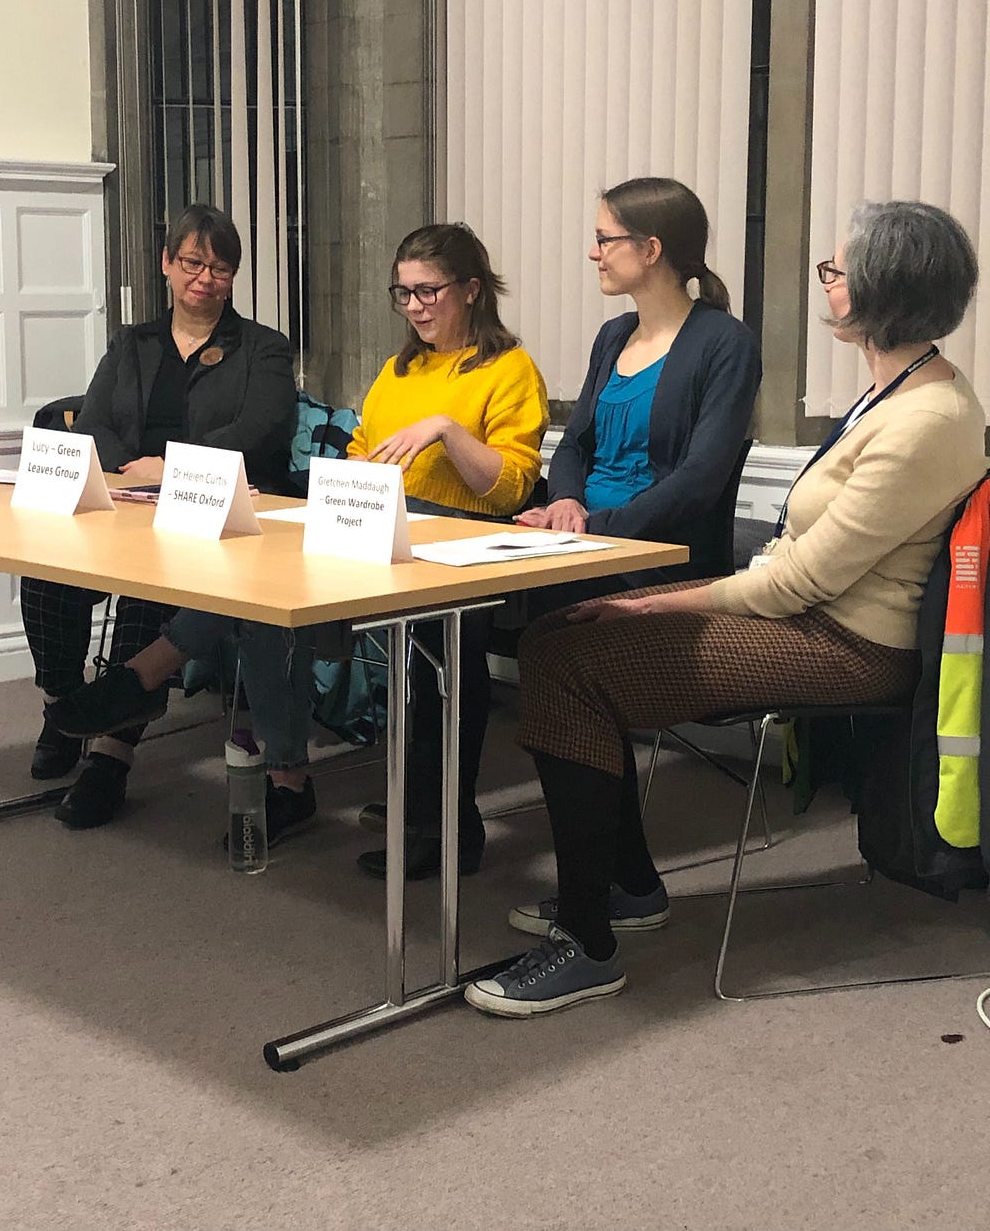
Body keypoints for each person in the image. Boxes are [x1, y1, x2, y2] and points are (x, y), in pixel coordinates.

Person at [463, 199, 987, 1019]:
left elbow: (798, 583)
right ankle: (627, 888)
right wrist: (654, 604)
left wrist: (656, 605)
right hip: (811, 618)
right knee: (557, 637)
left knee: (567, 660)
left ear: (883, 287)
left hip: (848, 643)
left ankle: (588, 941)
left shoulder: (930, 416)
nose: (827, 282)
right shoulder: (893, 392)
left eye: (837, 270)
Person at [48, 224, 548, 866]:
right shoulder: (402, 369)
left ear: (472, 290)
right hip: (379, 527)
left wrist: (447, 429)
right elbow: (366, 452)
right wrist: (342, 492)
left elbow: (508, 488)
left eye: (429, 291)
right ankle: (282, 776)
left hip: (457, 539)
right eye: (404, 293)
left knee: (277, 598)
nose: (416, 306)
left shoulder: (508, 369)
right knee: (259, 588)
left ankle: (150, 672)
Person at [29, 203, 297, 830]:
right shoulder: (134, 343)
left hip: (213, 506)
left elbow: (260, 428)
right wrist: (135, 471)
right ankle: (64, 703)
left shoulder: (263, 348)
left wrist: (169, 469)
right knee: (43, 573)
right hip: (127, 499)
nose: (205, 277)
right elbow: (93, 423)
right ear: (167, 265)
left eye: (221, 267)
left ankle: (111, 756)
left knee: (149, 587)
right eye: (193, 262)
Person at [517, 177, 760, 613]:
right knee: (489, 597)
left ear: (650, 250)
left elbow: (699, 480)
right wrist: (565, 502)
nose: (595, 254)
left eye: (604, 241)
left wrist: (596, 527)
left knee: (528, 608)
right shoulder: (614, 335)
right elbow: (575, 443)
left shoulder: (726, 343)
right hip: (586, 542)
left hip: (656, 559)